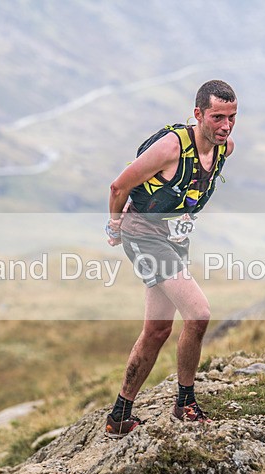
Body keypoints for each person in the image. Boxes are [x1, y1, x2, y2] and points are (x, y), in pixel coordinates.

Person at [104, 80, 237, 438]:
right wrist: (115, 225)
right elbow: (119, 186)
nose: (225, 126)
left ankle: (119, 417)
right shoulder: (170, 148)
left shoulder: (224, 149)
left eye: (232, 117)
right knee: (199, 313)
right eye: (217, 117)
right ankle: (185, 404)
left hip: (174, 239)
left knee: (158, 330)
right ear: (198, 114)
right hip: (144, 236)